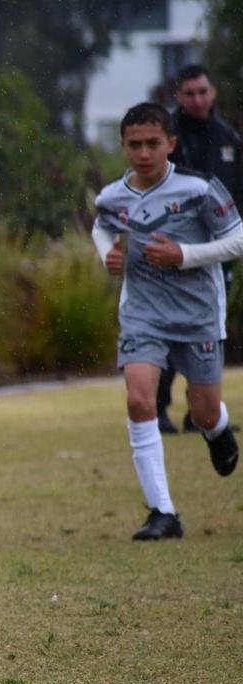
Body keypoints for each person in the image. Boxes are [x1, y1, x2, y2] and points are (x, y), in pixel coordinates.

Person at [92, 102, 243, 541]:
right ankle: (163, 511)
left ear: (170, 144)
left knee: (203, 410)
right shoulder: (112, 195)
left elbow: (237, 238)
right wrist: (108, 254)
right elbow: (101, 226)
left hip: (197, 315)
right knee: (140, 401)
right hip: (142, 315)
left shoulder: (199, 189)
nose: (144, 153)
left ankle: (217, 430)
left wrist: (184, 255)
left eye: (153, 143)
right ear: (123, 146)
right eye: (135, 144)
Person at [155, 65, 243, 434]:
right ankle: (157, 408)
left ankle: (201, 411)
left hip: (216, 250)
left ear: (213, 93)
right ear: (179, 96)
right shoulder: (167, 137)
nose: (197, 99)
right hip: (172, 250)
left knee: (208, 331)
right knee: (167, 330)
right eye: (189, 93)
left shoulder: (228, 138)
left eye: (202, 91)